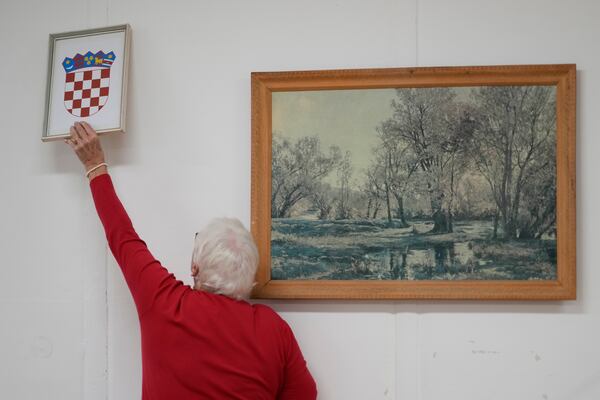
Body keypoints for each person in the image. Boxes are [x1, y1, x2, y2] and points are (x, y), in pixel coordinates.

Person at [65, 122, 317, 400]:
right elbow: (305, 394)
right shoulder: (274, 328)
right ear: (250, 279)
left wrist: (94, 164)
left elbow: (122, 237)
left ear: (194, 267)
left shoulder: (164, 301)